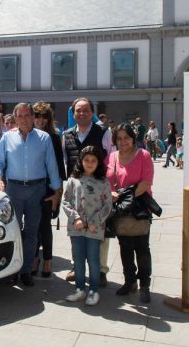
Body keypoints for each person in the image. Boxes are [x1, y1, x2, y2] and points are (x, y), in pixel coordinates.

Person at [0, 103, 62, 287]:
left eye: (27, 115)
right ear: (15, 119)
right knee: (12, 230)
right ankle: (12, 270)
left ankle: (25, 270)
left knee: (31, 232)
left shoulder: (44, 138)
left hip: (36, 190)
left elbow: (52, 166)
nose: (24, 119)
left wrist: (56, 192)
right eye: (20, 116)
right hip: (13, 189)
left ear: (32, 117)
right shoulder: (7, 137)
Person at [62, 98, 112, 285]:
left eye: (85, 110)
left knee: (101, 232)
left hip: (98, 190)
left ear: (92, 112)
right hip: (77, 191)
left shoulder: (104, 133)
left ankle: (101, 270)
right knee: (77, 229)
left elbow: (111, 159)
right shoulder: (66, 135)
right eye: (77, 110)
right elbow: (66, 161)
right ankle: (78, 267)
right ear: (73, 113)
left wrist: (109, 188)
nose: (81, 114)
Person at [107, 123, 155, 303]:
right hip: (120, 209)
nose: (123, 141)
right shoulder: (112, 157)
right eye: (118, 138)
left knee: (142, 248)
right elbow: (108, 179)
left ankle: (144, 285)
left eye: (126, 137)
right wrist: (111, 192)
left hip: (140, 207)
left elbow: (146, 182)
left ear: (133, 138)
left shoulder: (144, 155)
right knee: (125, 247)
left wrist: (126, 196)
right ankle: (130, 281)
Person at [62, 146, 112, 306]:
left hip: (94, 229)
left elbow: (107, 204)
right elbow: (66, 201)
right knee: (77, 259)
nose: (89, 164)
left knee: (93, 259)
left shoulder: (103, 182)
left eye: (93, 161)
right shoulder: (73, 180)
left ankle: (93, 290)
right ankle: (79, 289)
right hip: (76, 228)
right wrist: (75, 218)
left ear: (98, 163)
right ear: (81, 161)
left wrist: (94, 222)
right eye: (86, 160)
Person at [32, 101, 67, 278]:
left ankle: (47, 260)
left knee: (45, 224)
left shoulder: (53, 137)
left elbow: (60, 167)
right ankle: (35, 258)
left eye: (44, 116)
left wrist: (57, 194)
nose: (40, 119)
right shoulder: (27, 135)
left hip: (48, 188)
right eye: (37, 115)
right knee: (32, 225)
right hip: (31, 187)